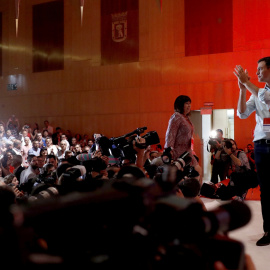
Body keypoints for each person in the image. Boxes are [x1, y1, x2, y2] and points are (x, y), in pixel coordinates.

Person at [234, 56, 270, 246]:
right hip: (261, 145)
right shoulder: (254, 92)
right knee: (265, 190)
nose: (256, 73)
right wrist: (242, 89)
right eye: (255, 69)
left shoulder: (261, 92)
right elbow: (241, 113)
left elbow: (265, 97)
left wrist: (247, 82)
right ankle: (268, 231)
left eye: (260, 69)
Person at [164, 95, 202, 185]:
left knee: (197, 171)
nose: (189, 106)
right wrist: (169, 150)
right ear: (180, 105)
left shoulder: (186, 117)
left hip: (188, 151)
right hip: (178, 151)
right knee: (185, 175)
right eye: (186, 103)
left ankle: (192, 193)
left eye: (189, 103)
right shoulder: (176, 117)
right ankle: (188, 194)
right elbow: (170, 134)